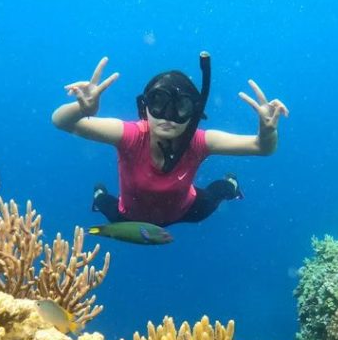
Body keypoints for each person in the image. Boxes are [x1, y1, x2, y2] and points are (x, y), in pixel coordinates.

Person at [51, 52, 288, 226]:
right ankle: (99, 196)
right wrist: (82, 110)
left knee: (218, 193)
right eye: (158, 103)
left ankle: (231, 184)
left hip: (187, 210)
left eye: (181, 107)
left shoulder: (199, 141)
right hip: (128, 217)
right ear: (145, 108)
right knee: (105, 205)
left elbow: (262, 148)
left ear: (193, 114)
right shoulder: (132, 136)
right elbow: (61, 121)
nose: (168, 116)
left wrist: (267, 132)